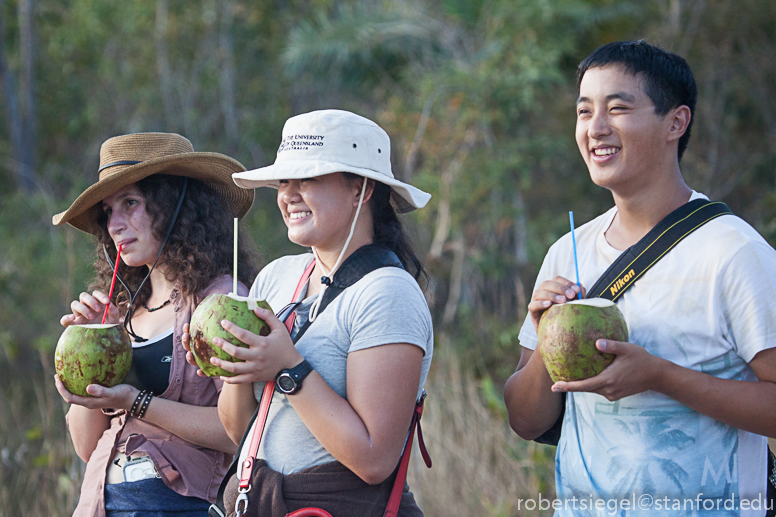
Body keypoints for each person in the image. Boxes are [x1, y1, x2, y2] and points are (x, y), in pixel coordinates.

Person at [504, 40, 776, 513]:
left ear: (676, 122)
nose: (596, 128)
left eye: (618, 108)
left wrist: (659, 376)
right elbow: (526, 420)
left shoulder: (734, 252)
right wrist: (550, 343)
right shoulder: (567, 252)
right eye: (584, 112)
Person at [183, 109, 434, 516]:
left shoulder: (387, 292)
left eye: (309, 179)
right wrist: (232, 366)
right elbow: (239, 430)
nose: (288, 194)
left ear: (362, 189)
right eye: (284, 181)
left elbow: (373, 461)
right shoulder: (276, 278)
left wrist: (288, 369)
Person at [52, 132, 259, 517]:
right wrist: (86, 370)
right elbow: (86, 447)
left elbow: (240, 432)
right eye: (108, 211)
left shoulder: (219, 302)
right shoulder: (124, 311)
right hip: (98, 502)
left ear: (175, 206)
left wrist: (136, 402)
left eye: (130, 203)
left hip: (175, 504)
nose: (115, 225)